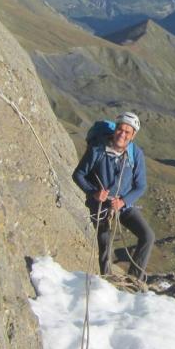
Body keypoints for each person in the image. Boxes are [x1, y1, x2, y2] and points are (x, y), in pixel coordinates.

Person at [72, 112, 154, 281]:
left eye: (127, 132)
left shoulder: (135, 154)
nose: (122, 135)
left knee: (147, 236)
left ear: (133, 136)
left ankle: (133, 280)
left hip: (123, 205)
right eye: (120, 129)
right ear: (115, 129)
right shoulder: (97, 150)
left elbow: (141, 186)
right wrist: (93, 192)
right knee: (105, 241)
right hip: (101, 205)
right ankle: (106, 279)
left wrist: (123, 201)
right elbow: (78, 174)